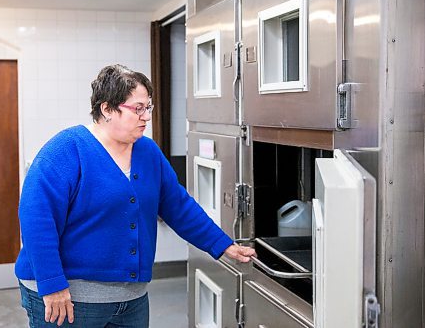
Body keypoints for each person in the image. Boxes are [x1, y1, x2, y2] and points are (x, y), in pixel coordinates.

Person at [15, 64, 255, 327]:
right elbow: (36, 220)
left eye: (148, 107)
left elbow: (178, 206)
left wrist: (222, 244)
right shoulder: (65, 151)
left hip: (131, 299)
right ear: (107, 109)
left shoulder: (147, 152)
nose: (146, 116)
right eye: (137, 108)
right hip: (68, 298)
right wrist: (52, 285)